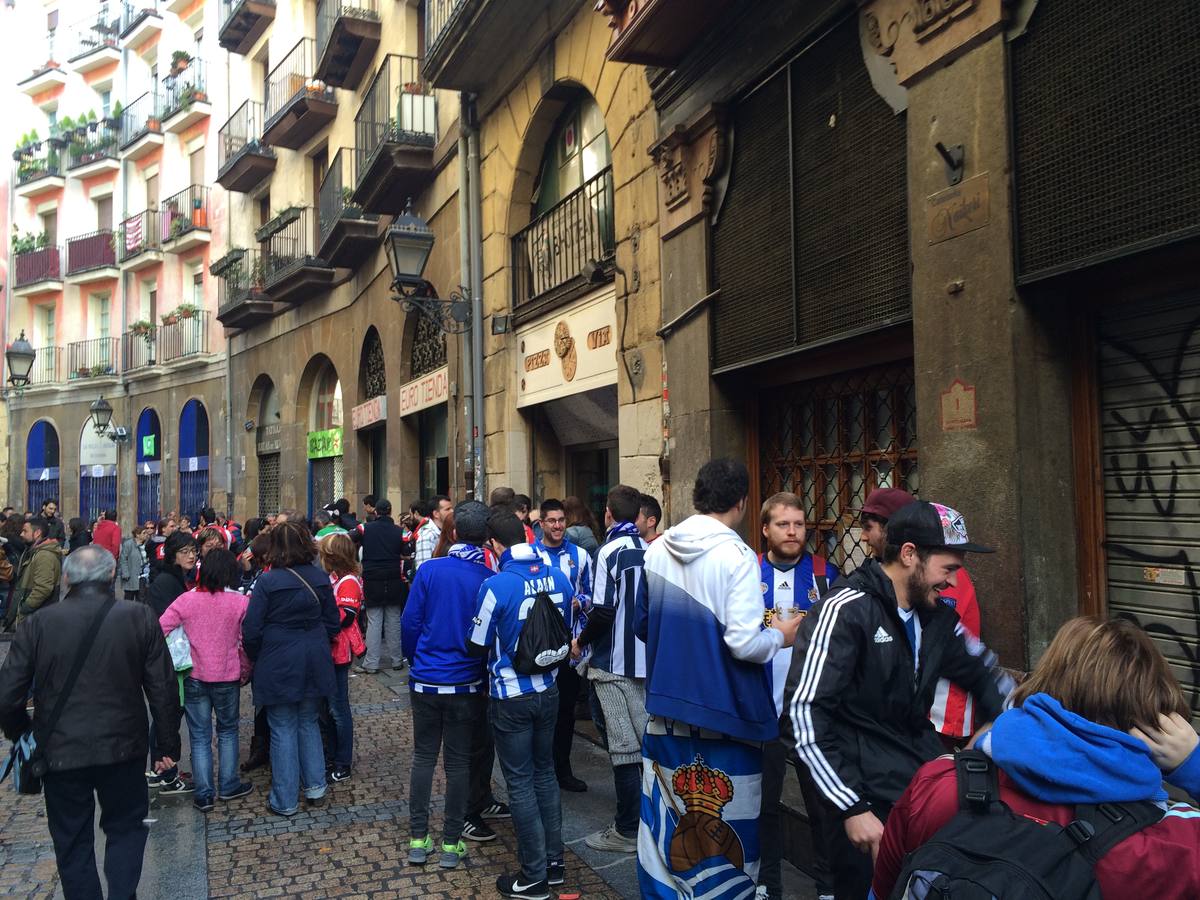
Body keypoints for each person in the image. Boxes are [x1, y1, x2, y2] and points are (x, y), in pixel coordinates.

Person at [873, 616, 1200, 899]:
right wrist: (1193, 767)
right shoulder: (1169, 847)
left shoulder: (937, 785)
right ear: (1153, 722)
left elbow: (884, 891)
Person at [784, 500, 1007, 899]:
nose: (954, 582)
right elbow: (803, 715)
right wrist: (852, 808)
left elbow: (988, 677)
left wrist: (1001, 725)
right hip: (861, 804)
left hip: (918, 792)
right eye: (948, 568)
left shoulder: (938, 618)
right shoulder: (845, 611)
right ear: (909, 555)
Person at [635, 459, 804, 897]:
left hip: (666, 707)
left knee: (665, 830)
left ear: (697, 495)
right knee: (730, 834)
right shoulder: (737, 556)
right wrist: (781, 636)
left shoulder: (656, 549)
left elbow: (642, 624)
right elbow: (745, 643)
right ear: (743, 503)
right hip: (727, 716)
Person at [0, 546, 181, 900]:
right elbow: (162, 688)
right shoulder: (139, 617)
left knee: (72, 839)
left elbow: (8, 694)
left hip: (61, 750)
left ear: (66, 578)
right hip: (123, 746)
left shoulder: (38, 623)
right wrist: (167, 744)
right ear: (111, 576)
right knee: (126, 827)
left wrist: (22, 731)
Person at [469, 510, 575, 899]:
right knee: (545, 775)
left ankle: (532, 877)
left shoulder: (497, 584)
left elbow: (477, 643)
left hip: (511, 695)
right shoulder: (559, 576)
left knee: (520, 783)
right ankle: (553, 862)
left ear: (495, 545)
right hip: (549, 690)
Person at [855, 487, 985, 750]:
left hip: (939, 711)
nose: (864, 537)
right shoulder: (857, 599)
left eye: (870, 527)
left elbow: (961, 659)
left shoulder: (935, 587)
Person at [401, 501, 493, 868]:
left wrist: (415, 658)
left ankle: (418, 838)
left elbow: (410, 623)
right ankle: (451, 843)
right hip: (465, 682)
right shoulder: (486, 577)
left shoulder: (430, 571)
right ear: (485, 538)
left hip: (426, 679)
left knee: (424, 758)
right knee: (457, 763)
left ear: (452, 533)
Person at [754, 492, 837, 900]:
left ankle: (827, 886)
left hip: (810, 713)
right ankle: (769, 883)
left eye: (799, 524)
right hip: (762, 710)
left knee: (822, 804)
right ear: (766, 529)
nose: (792, 531)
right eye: (783, 524)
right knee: (764, 804)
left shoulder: (825, 575)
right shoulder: (747, 574)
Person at [242, 520, 340, 816]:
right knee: (308, 721)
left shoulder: (269, 582)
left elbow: (252, 629)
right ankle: (315, 786)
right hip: (313, 655)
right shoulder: (321, 577)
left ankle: (285, 799)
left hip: (278, 656)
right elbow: (333, 623)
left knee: (283, 726)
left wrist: (259, 655)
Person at [574, 485, 650, 854]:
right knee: (646, 746)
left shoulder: (609, 552)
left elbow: (603, 610)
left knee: (623, 749)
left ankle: (627, 830)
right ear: (638, 516)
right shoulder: (652, 551)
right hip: (648, 665)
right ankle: (649, 824)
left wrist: (581, 641)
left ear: (608, 513)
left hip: (612, 665)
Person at [158, 549, 253, 813]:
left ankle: (204, 793)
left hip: (194, 675)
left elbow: (160, 629)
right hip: (227, 675)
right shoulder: (240, 603)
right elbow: (246, 642)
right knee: (227, 731)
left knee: (199, 736)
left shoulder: (185, 601)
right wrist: (245, 668)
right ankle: (228, 783)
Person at [536, 498, 594, 793]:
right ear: (541, 524)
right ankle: (541, 770)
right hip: (538, 649)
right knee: (541, 712)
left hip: (570, 649)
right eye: (552, 521)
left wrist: (579, 601)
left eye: (561, 520)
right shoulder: (531, 556)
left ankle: (563, 769)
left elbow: (594, 595)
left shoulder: (581, 556)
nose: (558, 526)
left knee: (565, 712)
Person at [144, 531, 198, 794]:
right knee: (167, 713)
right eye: (185, 551)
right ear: (173, 554)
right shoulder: (168, 581)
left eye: (193, 551)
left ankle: (159, 769)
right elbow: (167, 621)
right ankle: (165, 773)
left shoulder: (176, 578)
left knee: (166, 714)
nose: (191, 555)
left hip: (168, 659)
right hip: (168, 660)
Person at [318, 533, 364, 783]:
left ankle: (342, 761)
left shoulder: (348, 582)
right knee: (327, 708)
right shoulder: (335, 579)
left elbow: (343, 617)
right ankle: (333, 755)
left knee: (338, 709)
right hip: (329, 651)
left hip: (339, 652)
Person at [355, 498, 409, 674]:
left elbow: (349, 538)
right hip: (394, 578)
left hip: (372, 579)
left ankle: (371, 663)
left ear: (376, 512)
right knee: (393, 620)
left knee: (374, 621)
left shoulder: (365, 529)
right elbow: (407, 551)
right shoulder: (399, 531)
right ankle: (396, 660)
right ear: (390, 511)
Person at [5, 516, 64, 629]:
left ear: (37, 533)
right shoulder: (34, 552)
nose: (21, 534)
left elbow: (43, 588)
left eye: (25, 531)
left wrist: (24, 609)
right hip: (33, 617)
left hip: (35, 618)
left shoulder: (44, 556)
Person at [415, 495, 452, 570]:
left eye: (451, 508)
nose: (452, 511)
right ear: (436, 514)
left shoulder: (448, 530)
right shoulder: (427, 536)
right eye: (447, 509)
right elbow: (424, 570)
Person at [117, 525, 150, 602]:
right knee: (129, 598)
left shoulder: (147, 544)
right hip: (130, 576)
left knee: (141, 598)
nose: (146, 535)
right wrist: (125, 573)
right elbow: (123, 559)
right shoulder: (128, 544)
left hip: (143, 576)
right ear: (137, 535)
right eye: (144, 533)